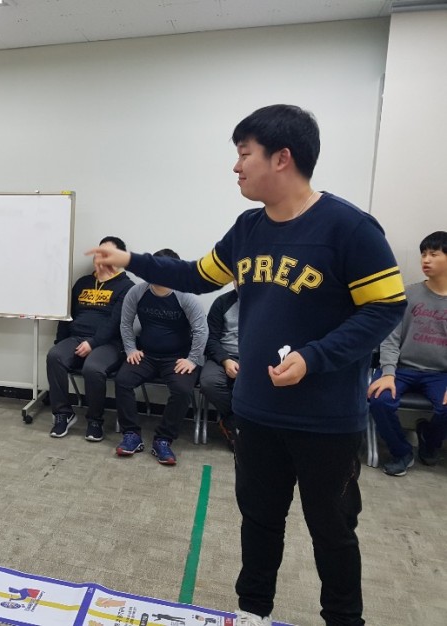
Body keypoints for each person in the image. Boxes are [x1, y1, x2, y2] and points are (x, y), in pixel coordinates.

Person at [88, 105, 406, 626]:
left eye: (244, 154)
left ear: (282, 158)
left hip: (326, 419)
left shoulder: (350, 227)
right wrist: (131, 260)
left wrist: (315, 357)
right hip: (256, 410)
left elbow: (386, 307)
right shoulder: (248, 228)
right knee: (258, 521)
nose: (236, 167)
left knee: (332, 530)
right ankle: (253, 611)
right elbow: (196, 274)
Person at [114, 248, 208, 465]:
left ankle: (163, 439)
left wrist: (192, 359)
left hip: (177, 358)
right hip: (146, 355)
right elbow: (125, 323)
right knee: (122, 381)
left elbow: (201, 330)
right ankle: (131, 434)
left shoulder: (186, 296)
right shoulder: (137, 292)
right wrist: (130, 349)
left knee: (183, 390)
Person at [367, 231, 447, 476]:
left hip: (439, 373)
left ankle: (429, 441)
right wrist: (388, 373)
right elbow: (390, 338)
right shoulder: (408, 294)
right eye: (423, 254)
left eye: (433, 254)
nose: (426, 259)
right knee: (379, 399)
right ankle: (402, 452)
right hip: (402, 369)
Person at [47, 236, 134, 441]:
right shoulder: (83, 282)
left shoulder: (127, 287)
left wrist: (93, 343)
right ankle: (63, 414)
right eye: (98, 252)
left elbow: (116, 322)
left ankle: (95, 420)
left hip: (109, 344)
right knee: (55, 356)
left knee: (93, 368)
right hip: (76, 337)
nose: (100, 257)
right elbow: (67, 316)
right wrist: (61, 342)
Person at [199, 283, 240, 450]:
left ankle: (238, 426)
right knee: (209, 382)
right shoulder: (222, 302)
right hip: (223, 356)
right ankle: (233, 421)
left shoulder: (265, 304)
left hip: (253, 358)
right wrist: (225, 360)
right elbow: (211, 339)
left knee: (254, 385)